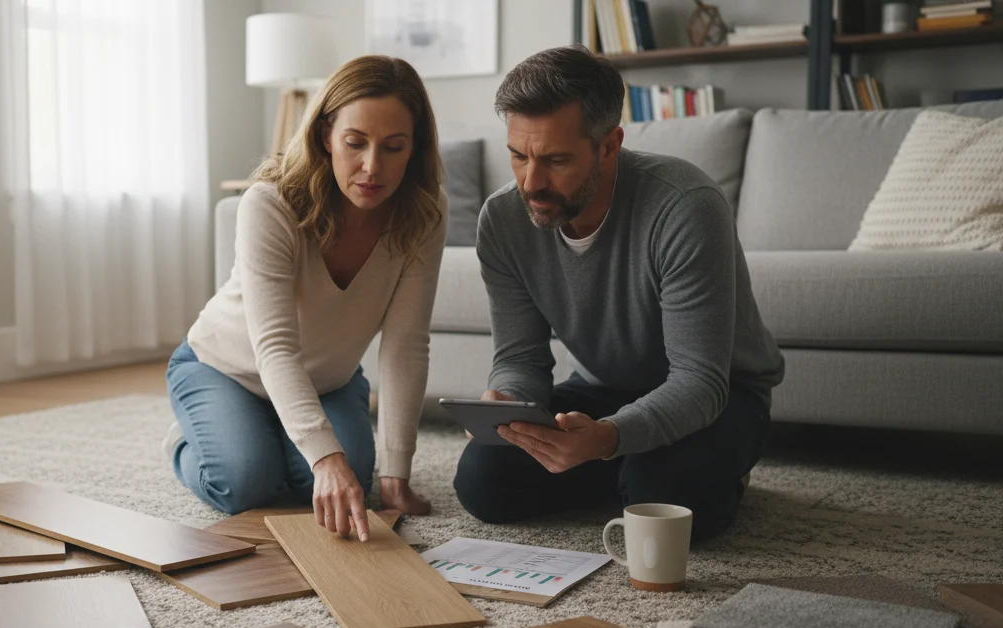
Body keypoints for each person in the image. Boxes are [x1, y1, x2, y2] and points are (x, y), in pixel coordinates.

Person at [452, 46, 785, 542]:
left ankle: (675, 469)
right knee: (484, 483)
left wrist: (607, 438)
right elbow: (520, 358)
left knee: (664, 505)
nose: (531, 182)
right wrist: (510, 406)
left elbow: (699, 381)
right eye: (518, 156)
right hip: (603, 387)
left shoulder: (685, 207)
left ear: (610, 145)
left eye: (556, 160)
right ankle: (628, 467)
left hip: (721, 394)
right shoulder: (503, 219)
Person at [165, 55, 448, 542]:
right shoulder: (270, 203)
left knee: (348, 484)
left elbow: (406, 344)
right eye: (355, 143)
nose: (372, 167)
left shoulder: (425, 212)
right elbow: (274, 346)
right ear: (325, 136)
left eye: (394, 147)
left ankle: (281, 432)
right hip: (225, 368)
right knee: (245, 482)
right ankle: (189, 438)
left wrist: (396, 473)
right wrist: (325, 457)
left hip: (329, 381)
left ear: (414, 149)